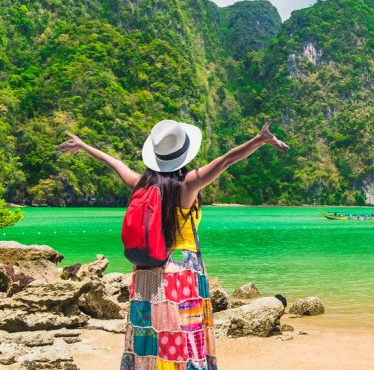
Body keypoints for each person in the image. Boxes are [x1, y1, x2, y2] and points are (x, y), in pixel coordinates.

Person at [57, 119, 289, 370]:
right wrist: (259, 140)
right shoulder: (188, 185)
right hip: (182, 271)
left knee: (150, 333)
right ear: (183, 154)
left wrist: (83, 146)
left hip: (146, 269)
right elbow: (226, 160)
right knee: (184, 334)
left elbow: (115, 163)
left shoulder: (141, 184)